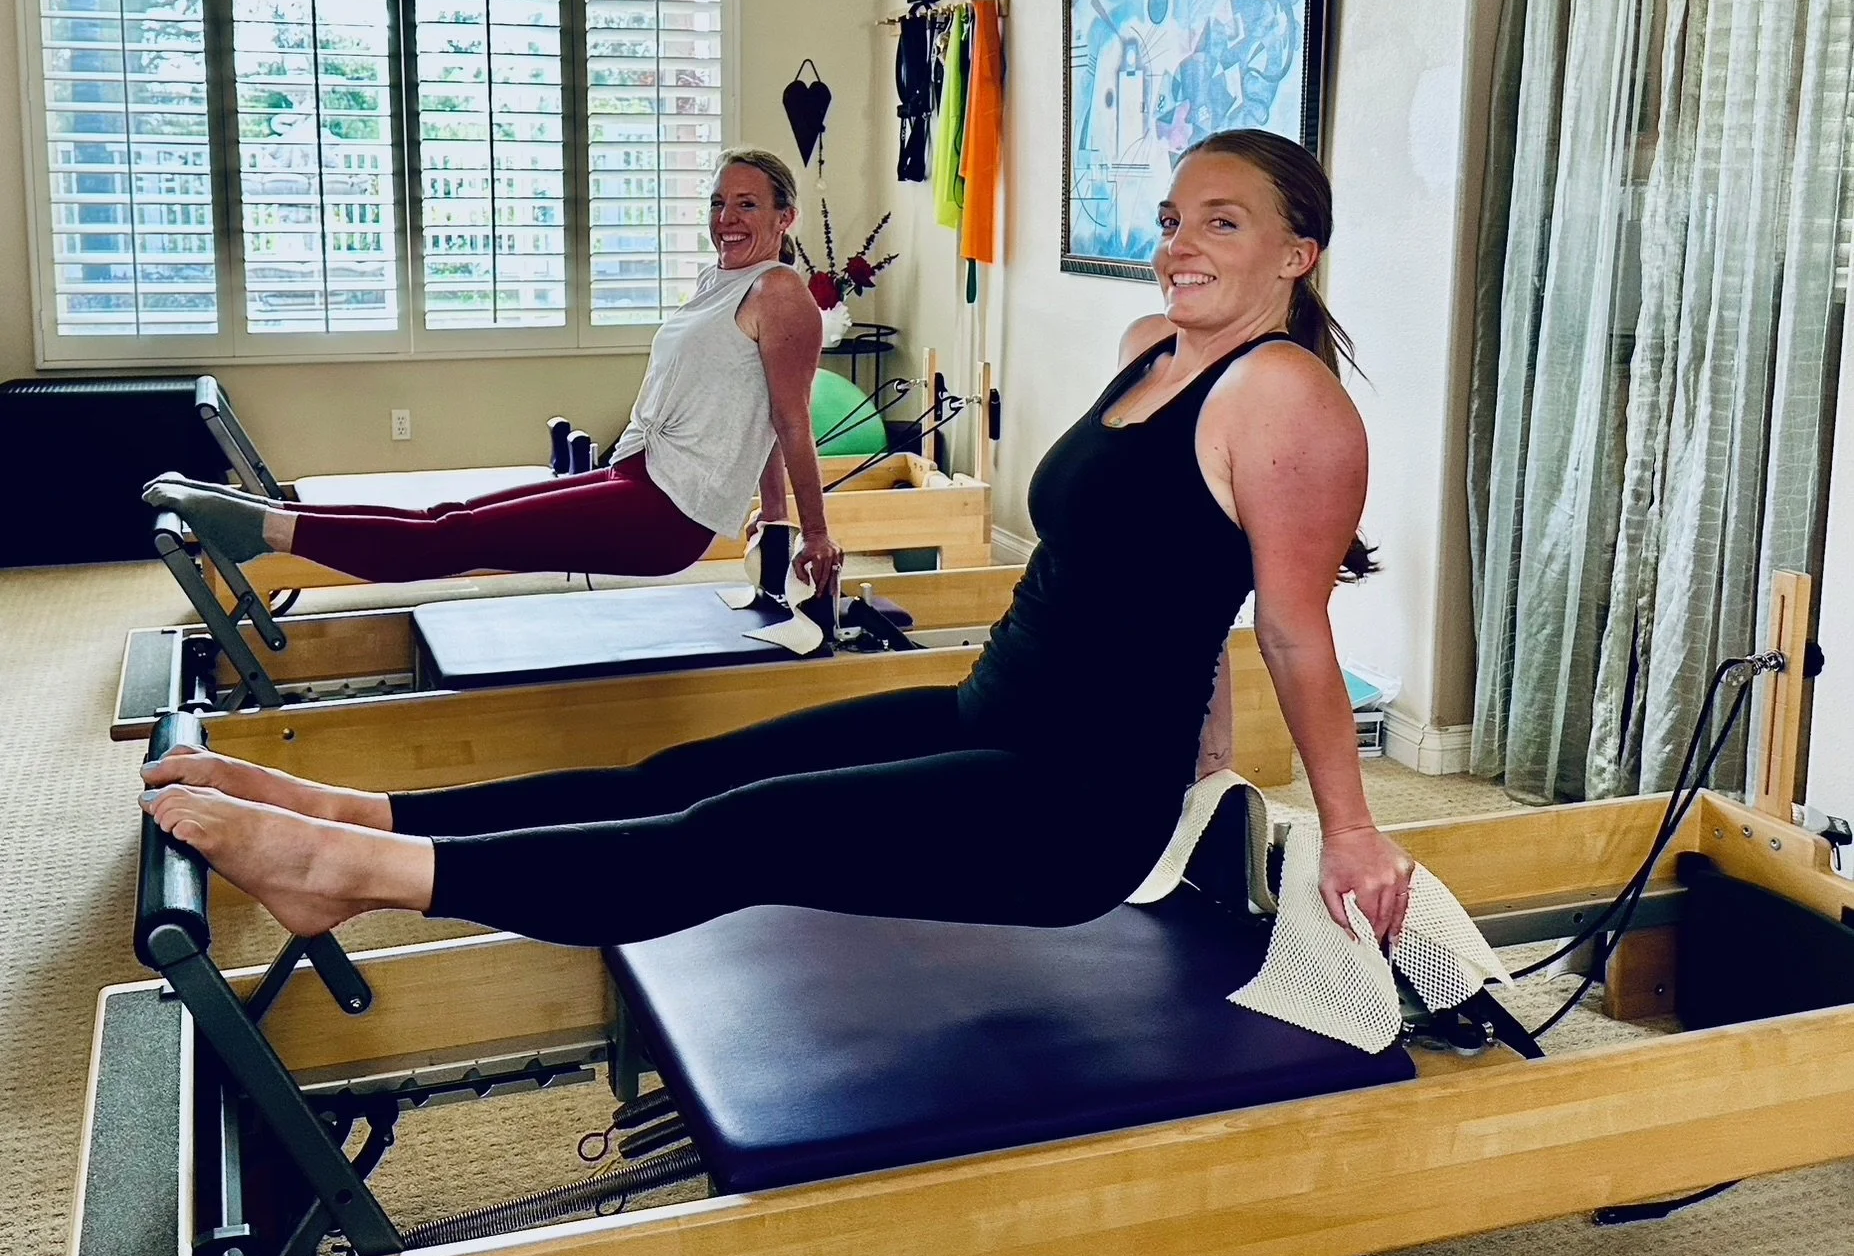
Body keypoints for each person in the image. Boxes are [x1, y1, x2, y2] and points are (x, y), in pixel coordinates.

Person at [141, 129, 1415, 947]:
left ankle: (346, 873)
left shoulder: (1291, 402)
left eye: (1223, 222)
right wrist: (1211, 774)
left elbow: (1291, 634)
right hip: (988, 713)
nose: (1178, 244)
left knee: (733, 841)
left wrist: (1349, 833)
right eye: (1174, 217)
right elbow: (1149, 585)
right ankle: (353, 805)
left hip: (1072, 805)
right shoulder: (1149, 353)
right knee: (679, 777)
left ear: (1298, 253)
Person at [143, 149, 845, 594]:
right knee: (451, 517)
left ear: (785, 217)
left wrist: (810, 533)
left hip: (669, 512)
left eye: (747, 204)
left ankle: (262, 533)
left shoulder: (782, 295)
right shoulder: (718, 280)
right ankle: (271, 515)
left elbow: (788, 421)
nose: (726, 217)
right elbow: (750, 404)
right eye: (718, 202)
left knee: (456, 539)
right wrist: (772, 518)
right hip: (638, 473)